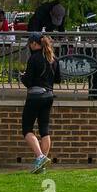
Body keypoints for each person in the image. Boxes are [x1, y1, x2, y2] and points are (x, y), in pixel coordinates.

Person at [21, 32, 61, 174]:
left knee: (27, 128)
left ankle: (39, 157)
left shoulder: (34, 58)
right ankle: (42, 165)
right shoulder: (53, 58)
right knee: (44, 129)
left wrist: (22, 77)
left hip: (35, 97)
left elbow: (28, 81)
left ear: (34, 43)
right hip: (48, 96)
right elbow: (58, 79)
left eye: (30, 43)